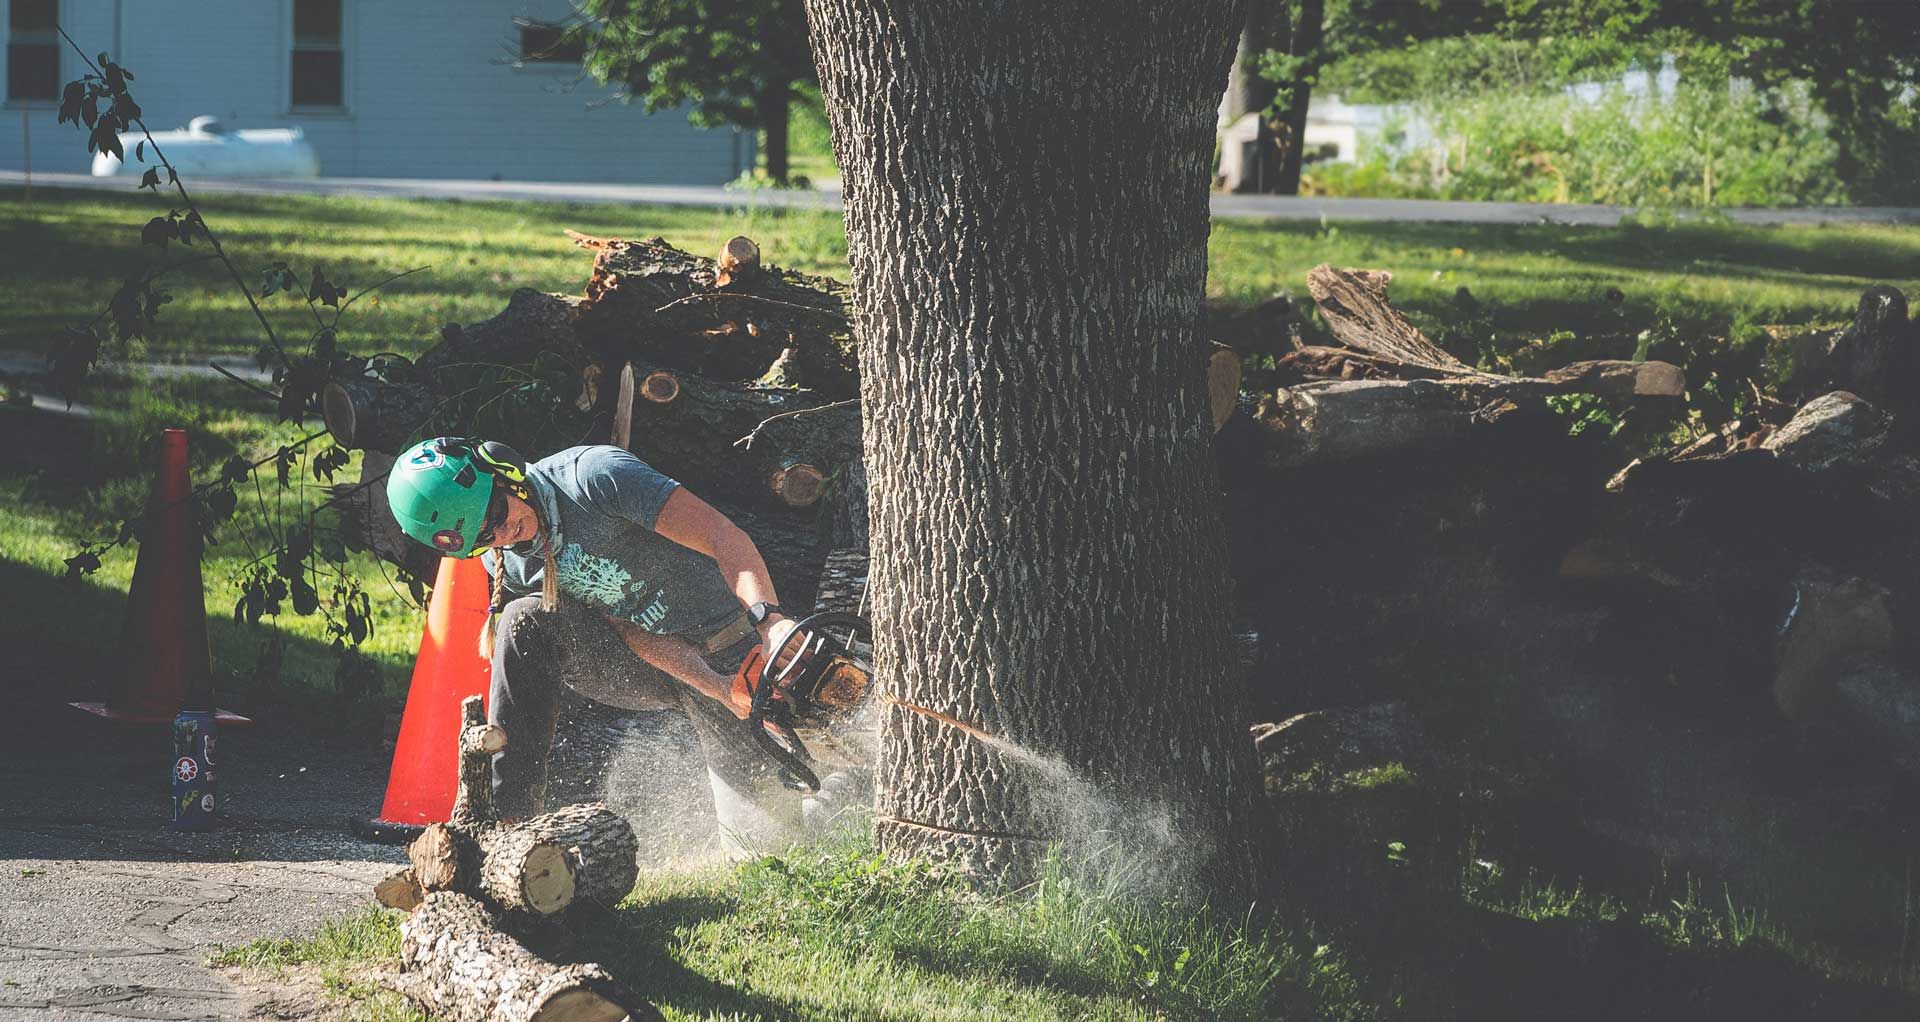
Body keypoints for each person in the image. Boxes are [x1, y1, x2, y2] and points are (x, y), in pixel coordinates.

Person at [384, 436, 804, 847]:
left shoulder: (595, 478)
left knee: (765, 845)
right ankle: (510, 826)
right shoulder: (509, 565)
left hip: (740, 642)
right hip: (666, 666)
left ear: (502, 466)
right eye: (482, 537)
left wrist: (770, 624)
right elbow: (628, 625)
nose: (503, 531)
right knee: (524, 620)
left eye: (495, 510)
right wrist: (716, 688)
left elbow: (723, 536)